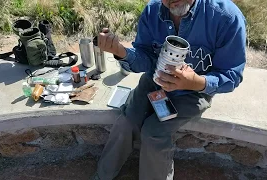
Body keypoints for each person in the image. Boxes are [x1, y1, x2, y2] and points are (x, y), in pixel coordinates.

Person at [92, 0, 247, 179]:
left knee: (153, 133)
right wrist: (121, 51)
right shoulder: (152, 10)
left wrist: (194, 82)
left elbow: (231, 76)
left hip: (193, 92)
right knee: (126, 122)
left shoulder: (226, 17)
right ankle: (102, 176)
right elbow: (146, 57)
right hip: (153, 82)